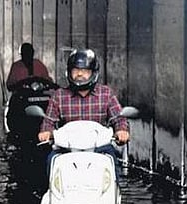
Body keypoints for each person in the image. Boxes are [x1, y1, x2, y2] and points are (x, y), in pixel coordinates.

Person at [38, 48, 129, 179]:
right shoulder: (58, 96)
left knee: (112, 164)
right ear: (69, 72)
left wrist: (121, 131)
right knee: (51, 160)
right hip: (66, 148)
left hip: (99, 148)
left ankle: (112, 195)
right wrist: (46, 132)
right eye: (76, 70)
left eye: (85, 71)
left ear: (93, 73)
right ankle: (55, 195)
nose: (79, 74)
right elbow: (49, 122)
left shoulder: (106, 94)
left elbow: (119, 119)